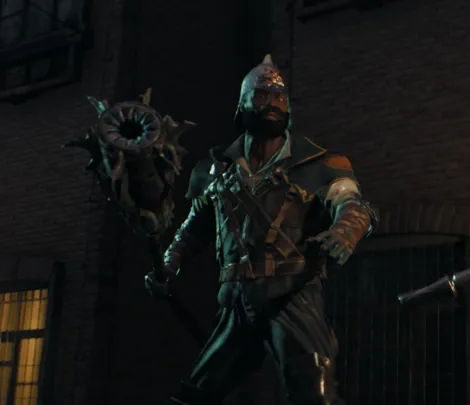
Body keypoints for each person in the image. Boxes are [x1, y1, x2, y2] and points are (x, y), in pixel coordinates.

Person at [145, 54, 376, 405]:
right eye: (262, 95)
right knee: (195, 396)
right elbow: (193, 230)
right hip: (236, 302)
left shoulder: (318, 165)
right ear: (243, 103)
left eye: (279, 97)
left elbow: (350, 202)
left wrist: (346, 229)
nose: (271, 104)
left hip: (292, 298)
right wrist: (169, 263)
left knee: (316, 395)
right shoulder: (216, 170)